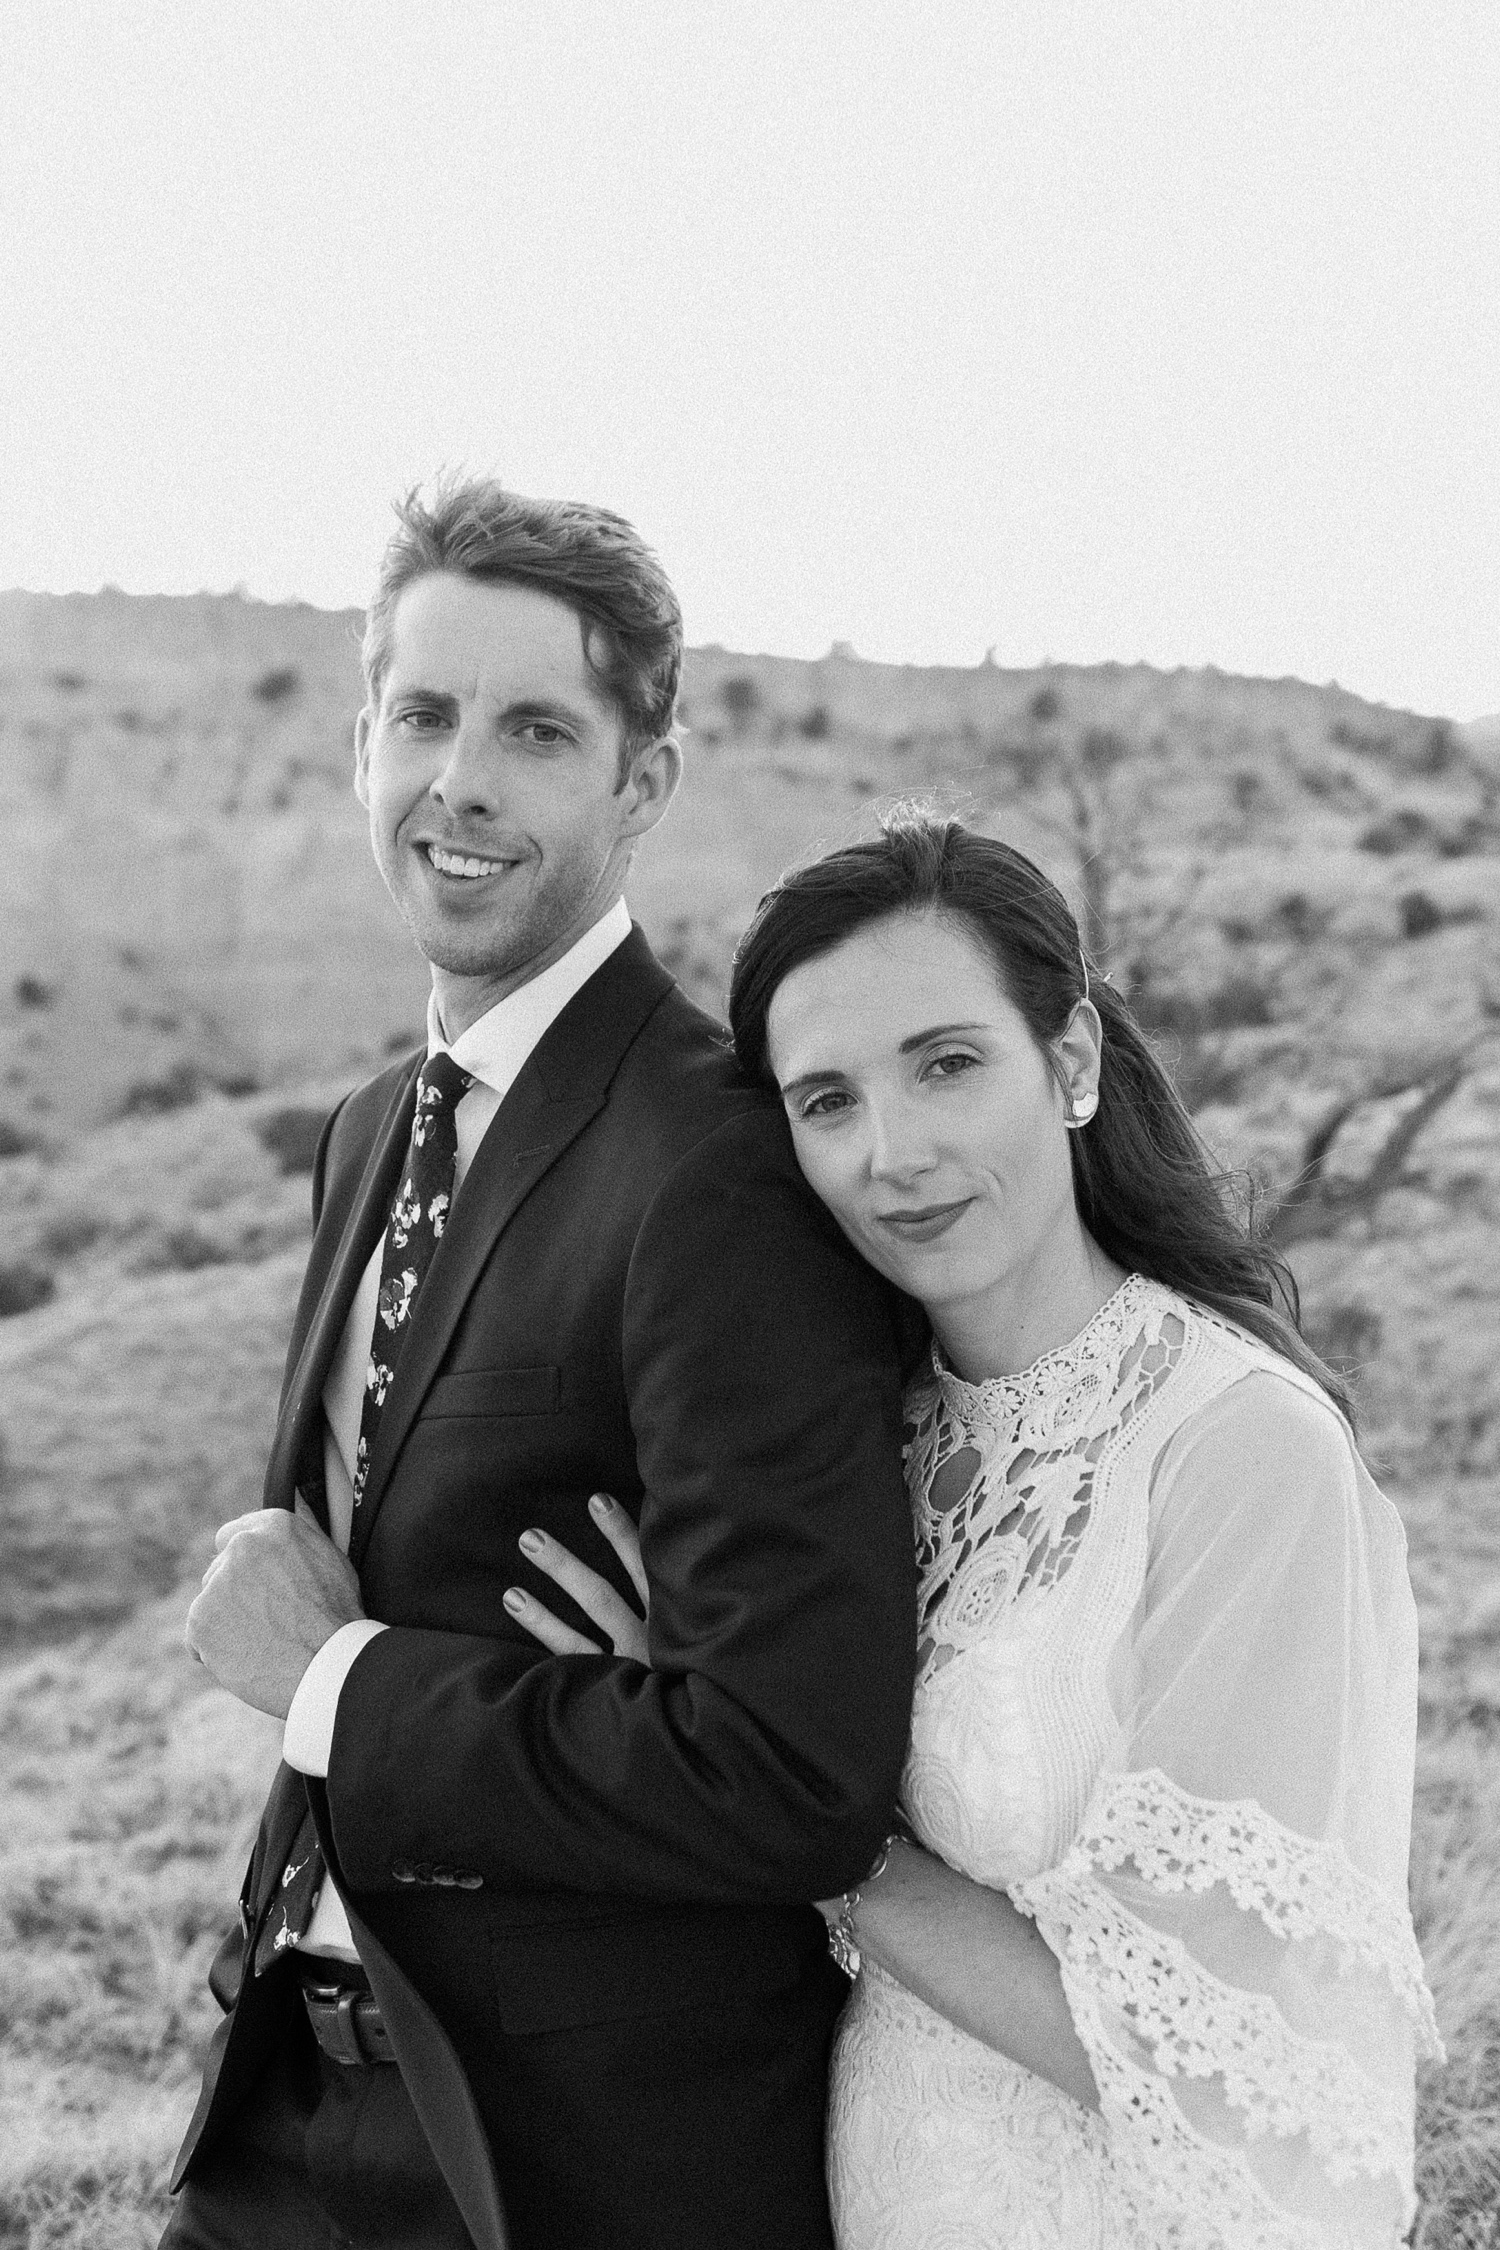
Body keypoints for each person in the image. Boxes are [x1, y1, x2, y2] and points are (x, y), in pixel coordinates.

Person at [513, 810, 1443, 2249]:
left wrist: (767, 1800)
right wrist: (688, 1694)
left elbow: (1185, 2045)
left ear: (1069, 1064)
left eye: (947, 1064)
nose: (896, 1152)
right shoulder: (862, 1439)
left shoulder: (1237, 1452)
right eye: (826, 1101)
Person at [166, 479, 921, 2250]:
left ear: (639, 783)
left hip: (569, 2162)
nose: (464, 782)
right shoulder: (371, 1131)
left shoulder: (716, 1168)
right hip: (293, 2091)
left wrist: (332, 1679)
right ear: (363, 741)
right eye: (423, 717)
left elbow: (795, 1774)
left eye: (534, 730)